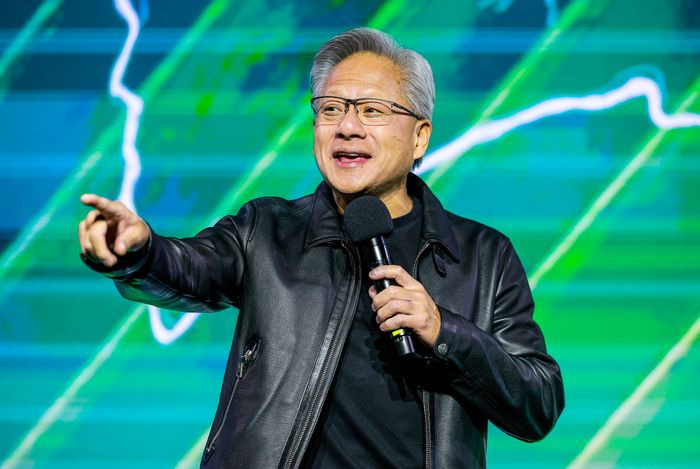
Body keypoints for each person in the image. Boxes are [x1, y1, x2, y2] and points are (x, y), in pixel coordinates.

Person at [79, 28, 564, 469]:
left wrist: (444, 332)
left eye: (371, 110)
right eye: (331, 109)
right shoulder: (267, 230)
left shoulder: (482, 256)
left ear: (420, 137)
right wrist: (138, 253)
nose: (347, 127)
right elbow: (190, 268)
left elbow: (538, 403)